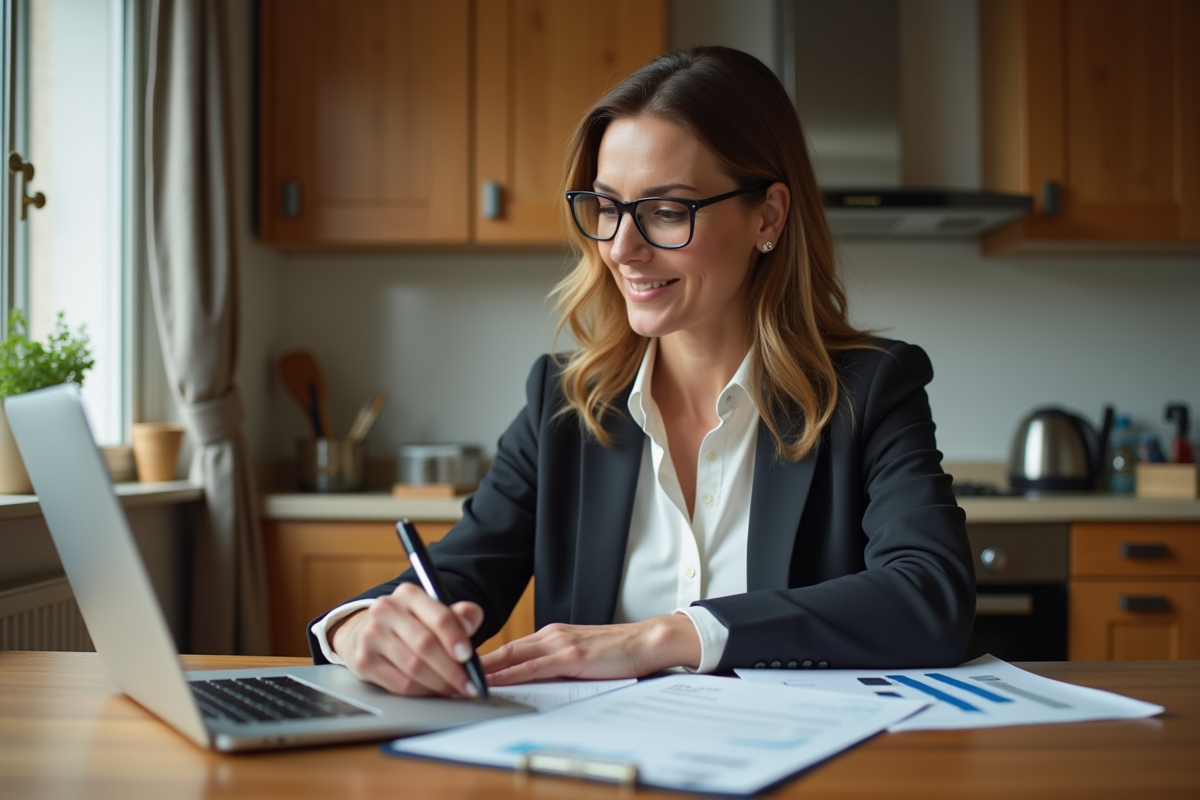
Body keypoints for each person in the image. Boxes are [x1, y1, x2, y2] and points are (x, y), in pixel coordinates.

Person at [307, 46, 975, 699]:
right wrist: (357, 628)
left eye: (666, 211)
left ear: (768, 216)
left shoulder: (869, 390)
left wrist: (667, 636)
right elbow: (456, 574)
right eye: (607, 207)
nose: (621, 248)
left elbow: (930, 595)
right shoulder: (564, 401)